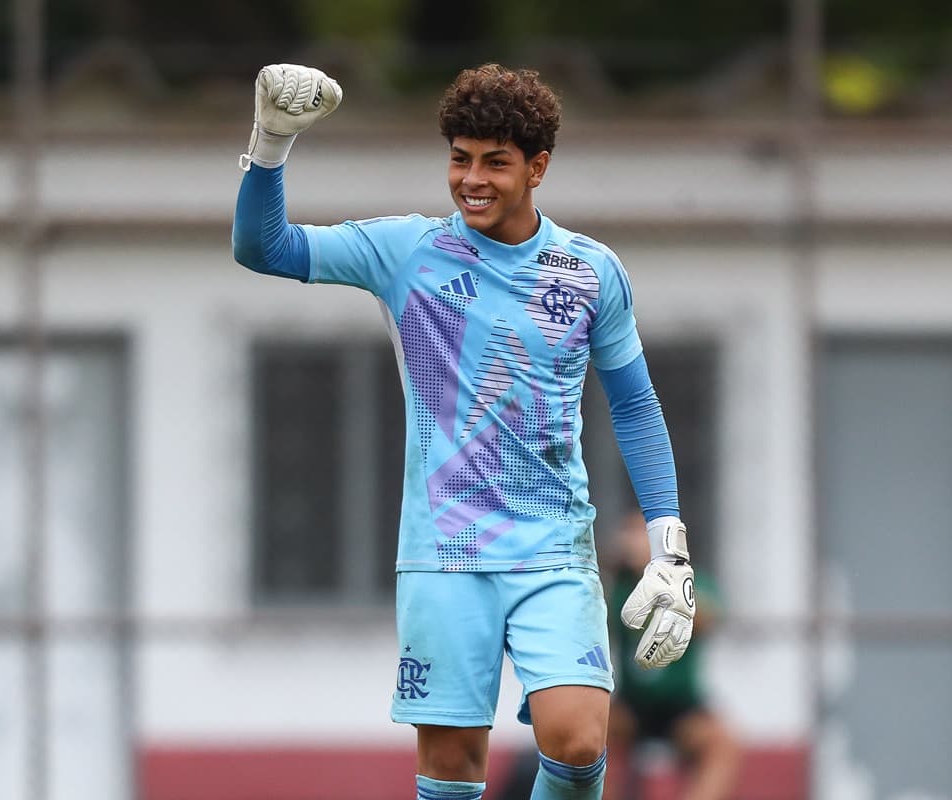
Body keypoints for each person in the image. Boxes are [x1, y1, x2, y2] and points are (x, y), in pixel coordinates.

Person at [232, 62, 696, 800]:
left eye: (495, 162)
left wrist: (669, 546)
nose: (472, 178)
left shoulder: (589, 272)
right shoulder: (407, 251)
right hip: (445, 554)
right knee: (451, 771)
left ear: (538, 167)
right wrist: (272, 143)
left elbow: (636, 406)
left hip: (553, 549)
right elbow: (266, 248)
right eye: (459, 158)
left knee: (578, 742)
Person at [605, 511, 741, 800]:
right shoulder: (621, 585)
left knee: (721, 744)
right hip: (632, 705)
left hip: (681, 707)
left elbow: (709, 616)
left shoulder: (691, 580)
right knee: (590, 736)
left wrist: (665, 580)